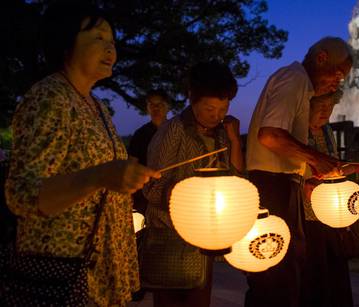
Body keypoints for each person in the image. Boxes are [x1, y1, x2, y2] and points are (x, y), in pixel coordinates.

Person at [3, 1, 160, 306]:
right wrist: (102, 175)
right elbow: (21, 194)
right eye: (98, 38)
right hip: (62, 269)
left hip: (99, 268)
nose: (110, 48)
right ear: (65, 43)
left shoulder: (96, 106)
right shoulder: (49, 98)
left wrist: (126, 174)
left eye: (112, 41)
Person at [245, 36, 359, 307]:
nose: (337, 82)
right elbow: (269, 135)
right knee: (275, 270)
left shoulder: (301, 86)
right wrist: (316, 158)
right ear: (321, 59)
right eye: (338, 75)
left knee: (288, 267)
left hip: (282, 182)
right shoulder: (293, 79)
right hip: (273, 183)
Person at [142, 61, 243, 307]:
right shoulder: (173, 130)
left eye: (223, 108)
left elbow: (239, 181)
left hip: (203, 239)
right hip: (171, 238)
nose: (217, 115)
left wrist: (234, 140)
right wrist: (190, 204)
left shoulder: (221, 133)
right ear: (191, 98)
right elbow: (152, 188)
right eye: (209, 108)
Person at [302, 90, 359, 307]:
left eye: (330, 107)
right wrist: (305, 186)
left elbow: (334, 169)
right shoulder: (296, 133)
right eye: (320, 107)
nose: (326, 113)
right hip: (308, 216)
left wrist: (357, 167)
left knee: (335, 273)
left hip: (332, 215)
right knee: (314, 276)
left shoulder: (326, 131)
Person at [128, 90, 170, 214]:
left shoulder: (176, 130)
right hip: (144, 194)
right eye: (152, 105)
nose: (155, 108)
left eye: (160, 105)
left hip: (171, 189)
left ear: (167, 107)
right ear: (147, 108)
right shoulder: (140, 134)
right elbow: (131, 165)